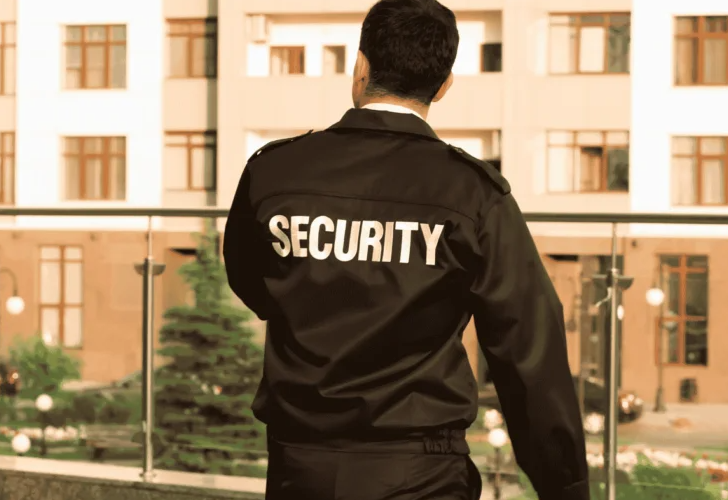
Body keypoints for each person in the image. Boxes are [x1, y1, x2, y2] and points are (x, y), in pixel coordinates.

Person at [223, 0, 589, 498]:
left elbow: (250, 281)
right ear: (444, 85)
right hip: (422, 473)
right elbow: (528, 349)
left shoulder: (273, 171)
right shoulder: (473, 193)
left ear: (360, 66)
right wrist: (564, 486)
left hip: (299, 467)